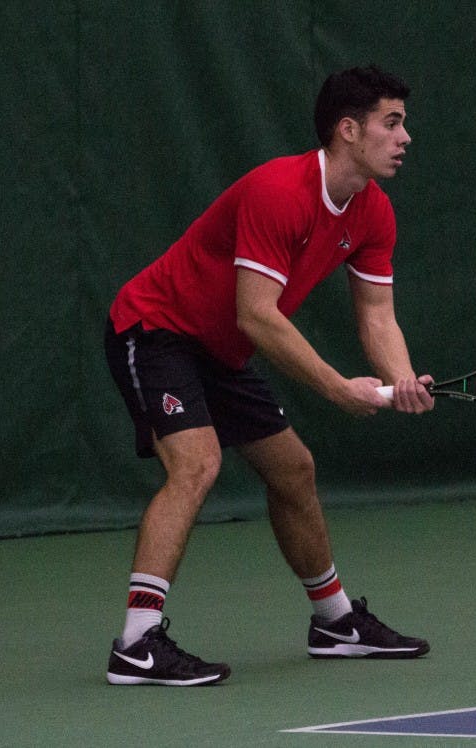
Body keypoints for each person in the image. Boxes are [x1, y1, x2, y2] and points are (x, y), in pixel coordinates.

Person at [102, 65, 434, 686]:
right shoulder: (279, 190)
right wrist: (337, 387)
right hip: (154, 328)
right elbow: (256, 315)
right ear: (347, 130)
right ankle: (138, 642)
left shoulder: (373, 213)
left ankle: (335, 624)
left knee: (294, 469)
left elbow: (377, 316)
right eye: (392, 122)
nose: (405, 136)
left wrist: (403, 378)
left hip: (220, 351)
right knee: (197, 464)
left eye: (403, 123)